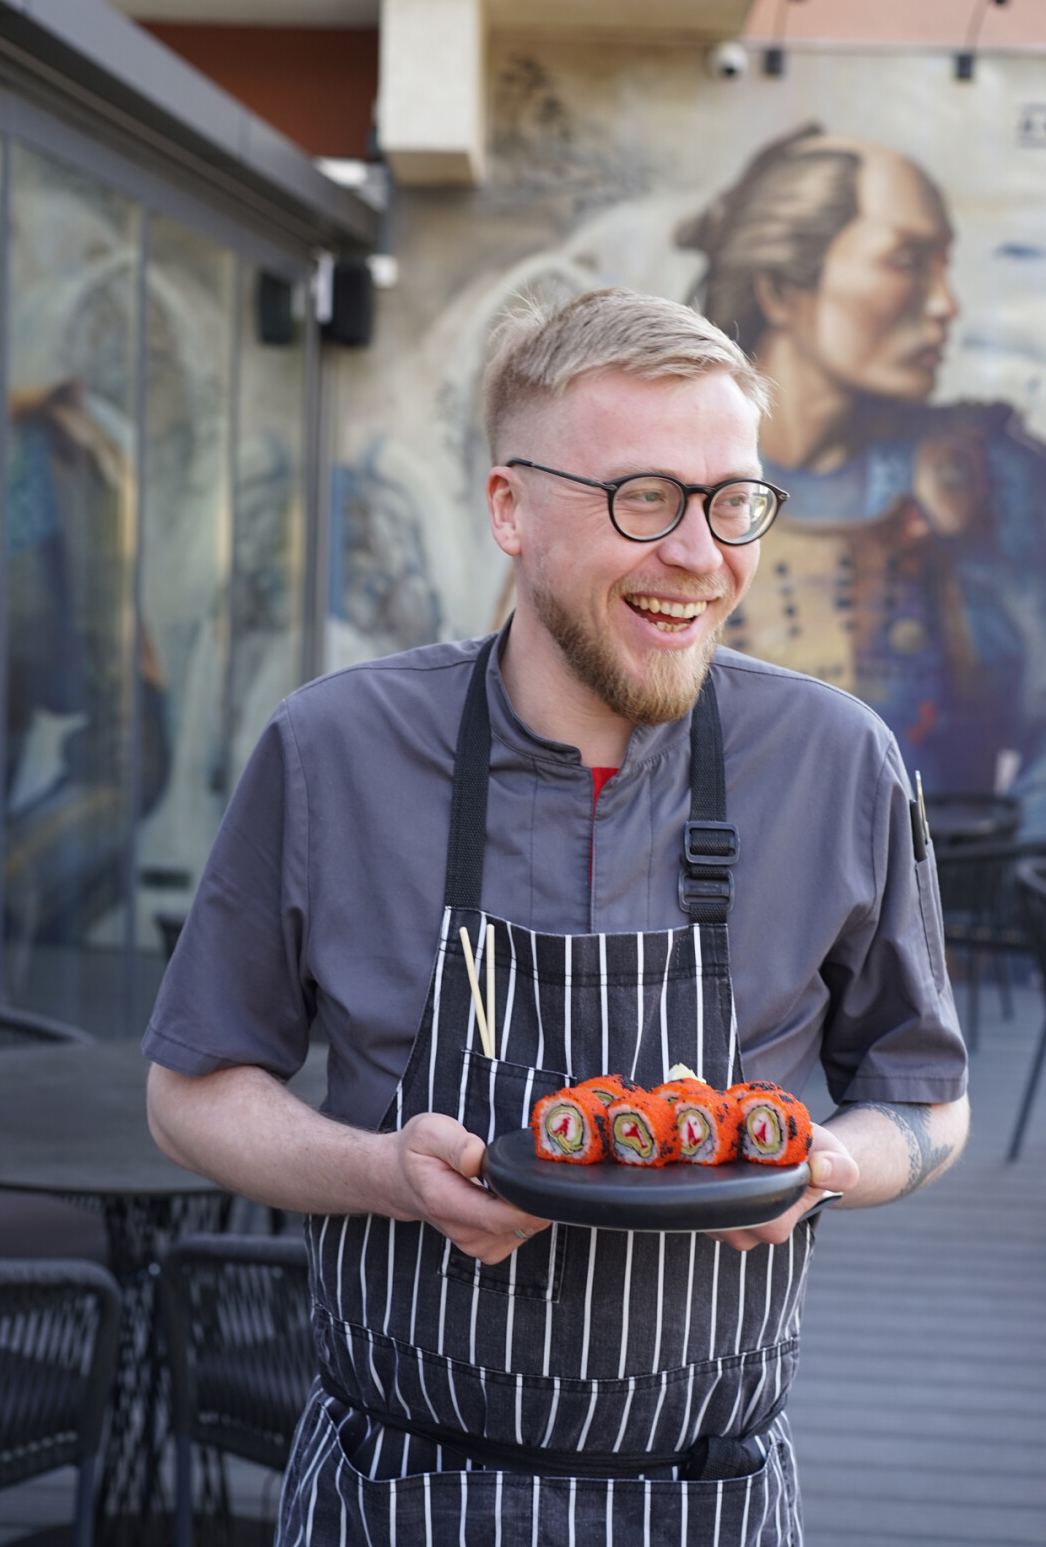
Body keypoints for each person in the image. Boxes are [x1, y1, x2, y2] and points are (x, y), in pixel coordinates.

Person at [144, 288, 968, 1545]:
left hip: (713, 1499)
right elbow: (190, 1092)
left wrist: (833, 1164)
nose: (700, 553)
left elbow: (927, 1097)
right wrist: (386, 1176)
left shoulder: (839, 762)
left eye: (732, 498)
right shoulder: (334, 749)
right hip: (396, 1488)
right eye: (643, 496)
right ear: (510, 509)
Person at [676, 124, 1046, 830]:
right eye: (907, 261)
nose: (946, 304)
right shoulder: (649, 485)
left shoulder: (987, 479)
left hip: (941, 920)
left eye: (944, 263)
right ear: (784, 290)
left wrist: (964, 907)